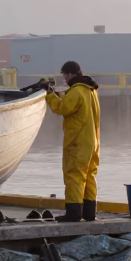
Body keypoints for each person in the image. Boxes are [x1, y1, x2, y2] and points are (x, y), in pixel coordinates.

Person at [44, 60, 101, 222]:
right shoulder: (91, 91)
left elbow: (63, 108)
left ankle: (74, 213)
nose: (64, 79)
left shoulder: (76, 91)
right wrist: (56, 93)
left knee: (74, 176)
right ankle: (90, 213)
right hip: (93, 142)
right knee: (89, 176)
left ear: (70, 74)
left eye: (64, 75)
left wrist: (49, 94)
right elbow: (72, 103)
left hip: (78, 142)